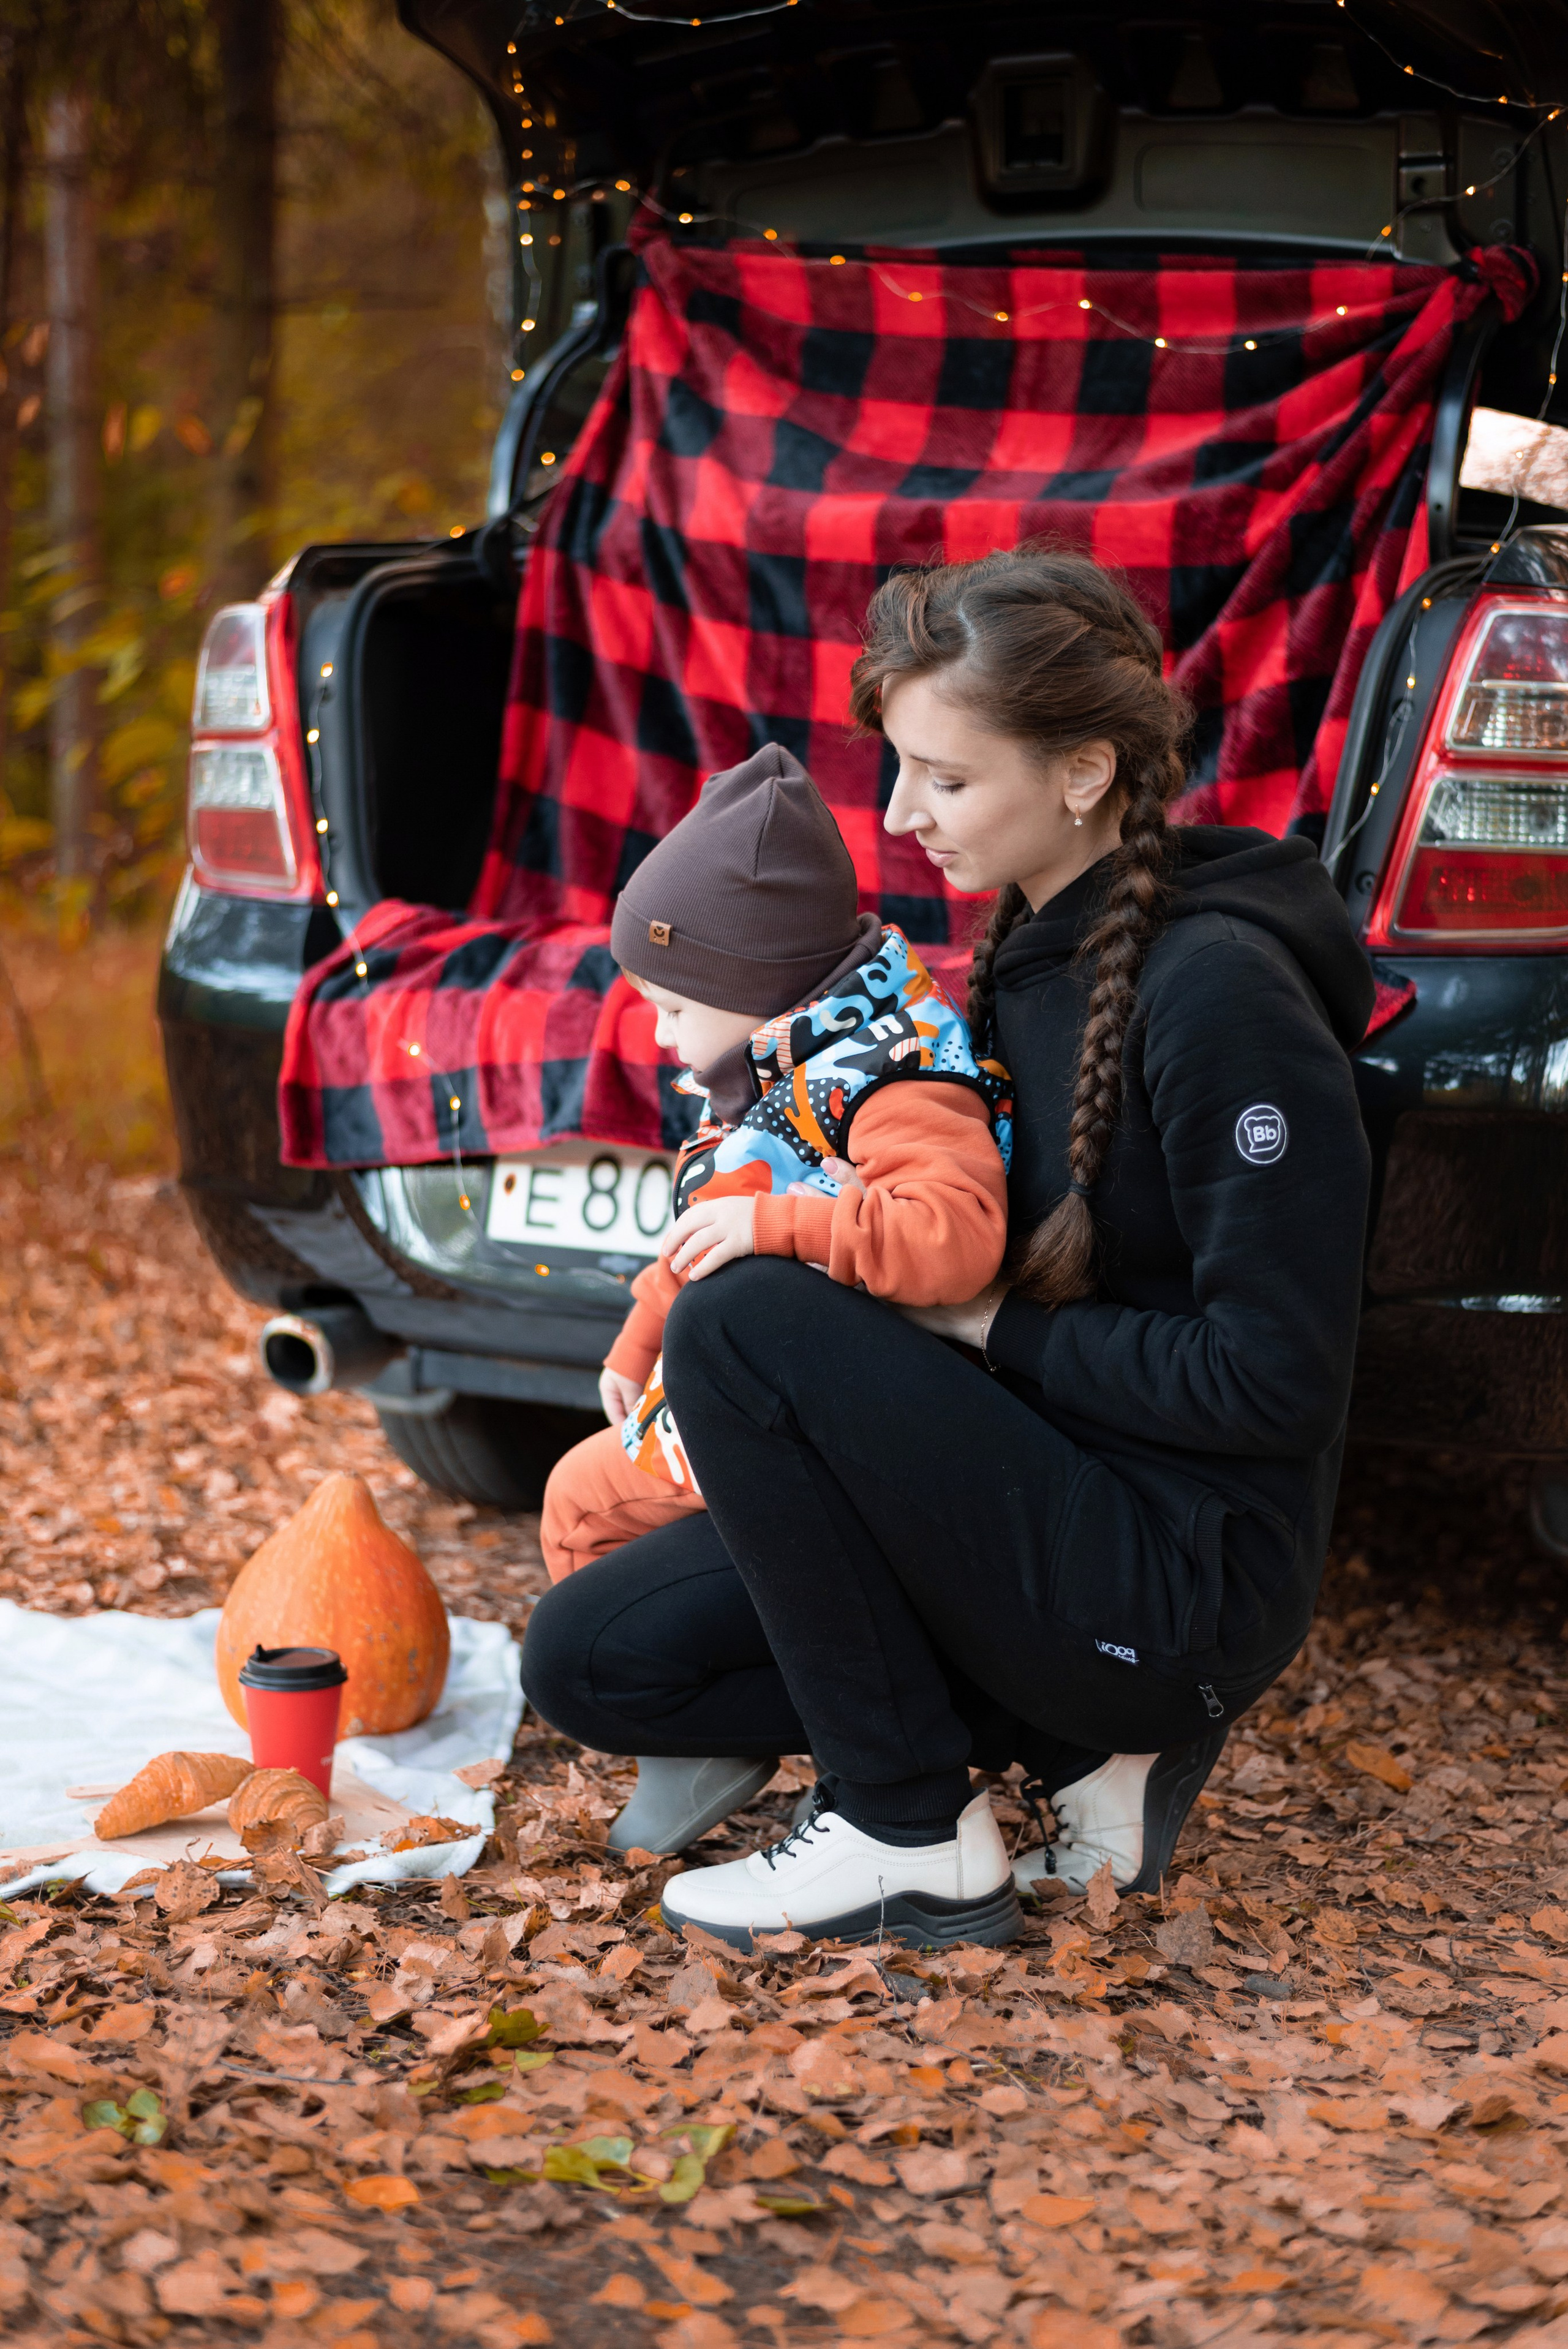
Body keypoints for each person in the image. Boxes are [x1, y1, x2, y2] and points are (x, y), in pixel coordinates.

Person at [521, 548, 1374, 1951]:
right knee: (594, 1657)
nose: (904, 814)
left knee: (747, 1317)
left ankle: (905, 1828)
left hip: (1171, 1578)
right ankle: (1059, 1747)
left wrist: (976, 1328)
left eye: (948, 778)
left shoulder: (1220, 994)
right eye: (900, 769)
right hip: (1030, 1496)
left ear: (1083, 771)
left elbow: (1274, 1383)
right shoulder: (1031, 948)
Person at [537, 742, 1013, 1847]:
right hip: (744, 1395)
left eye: (667, 1006)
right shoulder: (774, 1066)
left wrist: (782, 1226)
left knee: (592, 1519)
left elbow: (954, 1238)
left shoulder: (890, 1077)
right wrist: (635, 1339)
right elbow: (706, 1231)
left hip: (838, 1432)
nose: (655, 1040)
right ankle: (703, 1726)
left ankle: (741, 1695)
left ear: (750, 987)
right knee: (576, 1499)